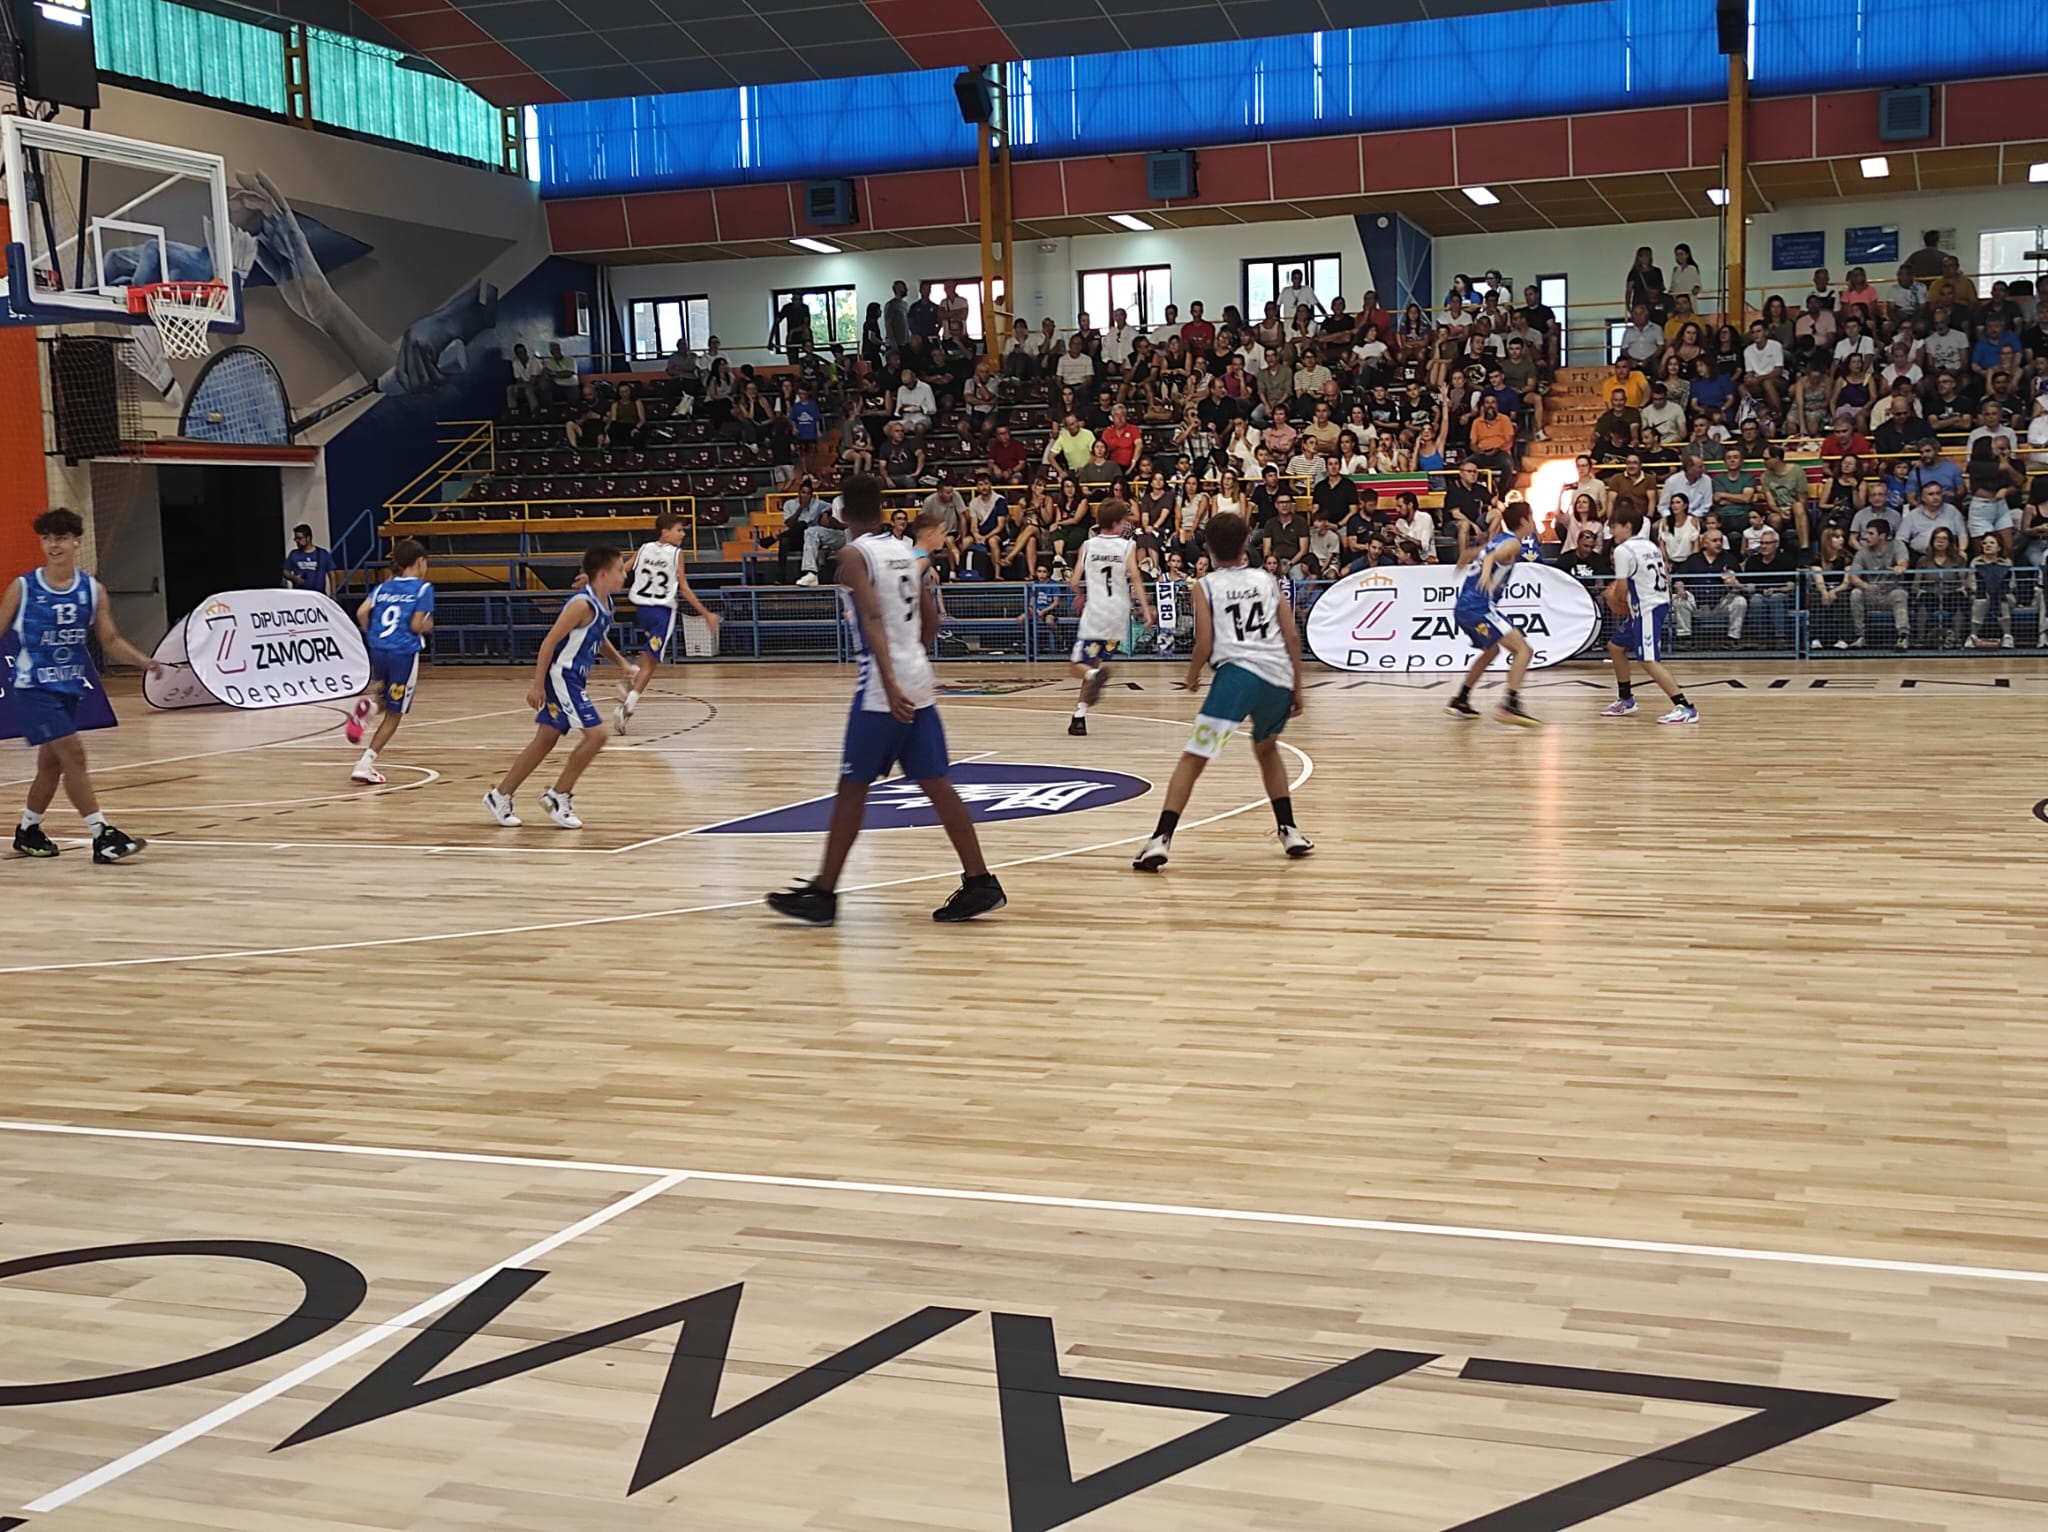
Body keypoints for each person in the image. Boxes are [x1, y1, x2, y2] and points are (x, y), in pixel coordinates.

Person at [764, 475, 1006, 926]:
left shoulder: (854, 555)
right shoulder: (906, 551)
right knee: (936, 782)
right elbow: (930, 621)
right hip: (918, 676)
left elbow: (873, 617)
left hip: (883, 686)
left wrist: (891, 681)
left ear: (845, 515)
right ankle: (980, 881)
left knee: (852, 788)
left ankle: (823, 894)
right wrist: (911, 663)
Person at [1130, 511, 1311, 872]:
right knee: (1267, 749)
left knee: (1194, 757)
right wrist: (1297, 686)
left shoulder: (1205, 585)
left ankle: (1160, 839)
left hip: (1236, 679)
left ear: (1207, 546)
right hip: (1276, 677)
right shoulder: (1267, 579)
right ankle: (1289, 830)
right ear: (1247, 543)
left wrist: (1193, 675)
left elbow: (1205, 642)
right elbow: (1291, 635)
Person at [4, 507, 161, 862]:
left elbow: (110, 639)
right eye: (47, 538)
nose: (53, 545)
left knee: (52, 765)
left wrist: (144, 661)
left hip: (70, 688)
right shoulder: (24, 587)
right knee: (74, 755)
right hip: (34, 688)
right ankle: (102, 835)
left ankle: (28, 830)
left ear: (77, 541)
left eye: (60, 538)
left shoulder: (92, 590)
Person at [482, 547, 635, 830]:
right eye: (620, 570)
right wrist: (537, 684)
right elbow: (549, 642)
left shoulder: (606, 602)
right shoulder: (581, 604)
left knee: (546, 738)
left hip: (574, 677)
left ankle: (499, 795)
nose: (625, 574)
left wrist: (621, 663)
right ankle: (558, 795)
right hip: (562, 677)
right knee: (597, 736)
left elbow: (598, 638)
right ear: (603, 574)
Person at [615, 512, 720, 732]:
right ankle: (628, 706)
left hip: (641, 610)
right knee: (652, 663)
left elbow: (622, 570)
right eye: (679, 530)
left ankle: (632, 677)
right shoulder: (676, 554)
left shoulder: (644, 548)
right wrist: (705, 613)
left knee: (649, 654)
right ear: (665, 532)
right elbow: (684, 588)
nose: (682, 534)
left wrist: (594, 578)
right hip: (662, 611)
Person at [347, 538, 435, 785]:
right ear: (420, 562)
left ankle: (369, 709)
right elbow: (416, 625)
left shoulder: (384, 587)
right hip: (402, 653)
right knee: (395, 713)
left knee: (387, 697)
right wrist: (427, 625)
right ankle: (365, 763)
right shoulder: (422, 588)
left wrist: (371, 634)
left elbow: (361, 612)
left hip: (379, 649)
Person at [1598, 505, 1696, 724]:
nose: (1612, 532)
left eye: (1614, 527)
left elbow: (1621, 589)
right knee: (1615, 647)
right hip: (1655, 602)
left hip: (1647, 608)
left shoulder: (1623, 550)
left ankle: (1685, 706)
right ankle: (1625, 699)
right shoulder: (1650, 545)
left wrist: (1615, 601)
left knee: (1648, 660)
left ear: (1627, 526)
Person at [1445, 500, 1540, 726]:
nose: (1534, 522)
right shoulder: (1514, 544)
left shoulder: (1498, 539)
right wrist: (1487, 573)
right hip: (1479, 607)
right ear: (1525, 520)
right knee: (1524, 651)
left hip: (1463, 607)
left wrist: (1464, 558)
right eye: (1532, 516)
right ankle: (1510, 704)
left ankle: (1461, 699)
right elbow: (1489, 557)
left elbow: (1474, 553)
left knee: (1491, 651)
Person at [1068, 503, 1152, 737]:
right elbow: (1135, 578)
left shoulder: (1087, 545)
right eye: (1124, 521)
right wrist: (1145, 609)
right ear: (1115, 523)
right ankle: (1079, 717)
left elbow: (1074, 580)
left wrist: (1079, 595)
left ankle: (1096, 677)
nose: (1127, 524)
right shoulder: (1128, 546)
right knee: (1092, 662)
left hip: (1097, 611)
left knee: (1077, 666)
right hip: (1119, 614)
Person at [283, 523, 336, 598]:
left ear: (308, 538)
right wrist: (294, 578)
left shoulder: (322, 554)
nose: (297, 541)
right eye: (295, 538)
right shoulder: (293, 554)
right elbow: (285, 571)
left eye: (300, 538)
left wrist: (333, 594)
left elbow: (331, 574)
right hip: (299, 595)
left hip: (318, 595)